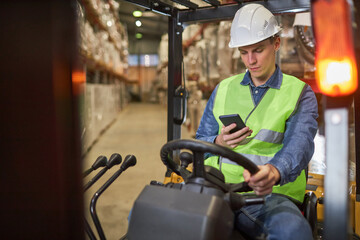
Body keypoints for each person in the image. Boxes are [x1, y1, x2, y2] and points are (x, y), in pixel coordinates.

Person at [196, 4, 318, 240]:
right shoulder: (223, 89)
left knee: (293, 233)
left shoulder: (299, 93)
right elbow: (201, 141)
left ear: (276, 43)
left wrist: (274, 171)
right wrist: (219, 141)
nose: (250, 60)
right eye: (243, 52)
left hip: (270, 195)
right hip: (218, 189)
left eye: (258, 50)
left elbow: (299, 145)